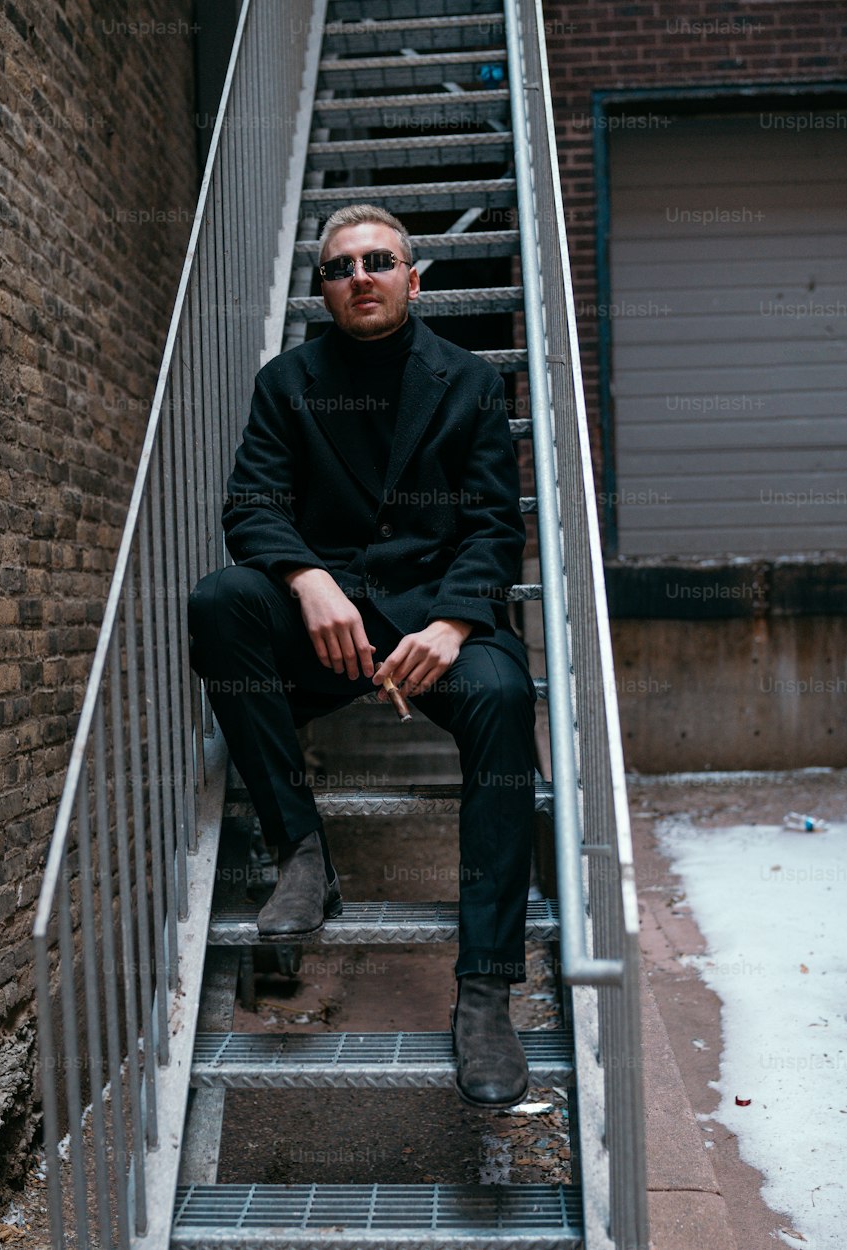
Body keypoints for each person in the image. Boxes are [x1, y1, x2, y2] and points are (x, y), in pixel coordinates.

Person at [188, 204, 540, 1109]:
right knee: (222, 599)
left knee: (504, 697)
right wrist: (306, 577)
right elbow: (252, 505)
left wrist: (457, 625)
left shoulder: (466, 383)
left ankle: (487, 993)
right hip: (329, 627)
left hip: (435, 625)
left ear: (413, 279)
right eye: (341, 267)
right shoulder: (287, 383)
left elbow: (497, 529)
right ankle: (302, 852)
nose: (361, 276)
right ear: (325, 291)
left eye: (379, 261)